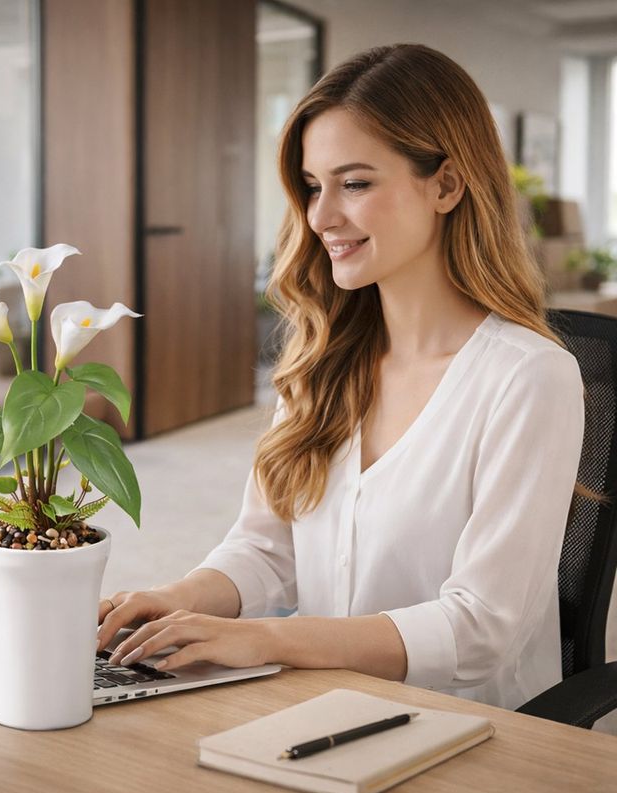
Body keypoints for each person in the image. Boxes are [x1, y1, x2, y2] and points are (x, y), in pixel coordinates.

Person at [96, 43, 589, 710]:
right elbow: (268, 548)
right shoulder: (323, 360)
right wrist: (179, 600)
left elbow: (482, 629)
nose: (321, 216)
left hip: (468, 731)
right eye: (311, 185)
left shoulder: (529, 378)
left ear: (445, 184)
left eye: (354, 183)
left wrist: (272, 641)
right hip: (325, 706)